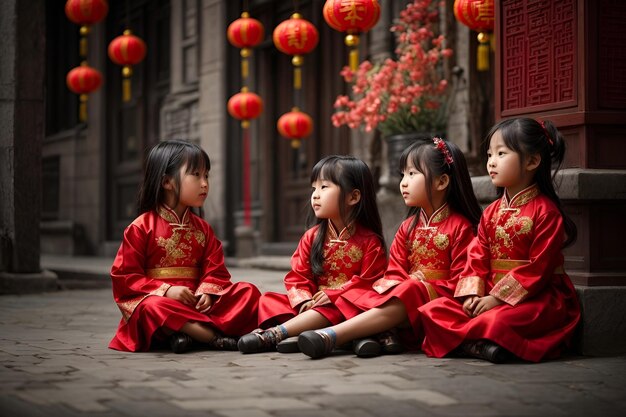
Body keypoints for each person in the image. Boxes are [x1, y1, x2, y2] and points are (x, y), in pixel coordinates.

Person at [297, 138, 482, 359]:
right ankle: (366, 333)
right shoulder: (407, 227)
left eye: (412, 174)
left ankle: (331, 335)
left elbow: (463, 278)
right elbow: (394, 272)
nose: (403, 182)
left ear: (441, 182)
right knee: (361, 293)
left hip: (441, 300)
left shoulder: (461, 227)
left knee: (407, 290)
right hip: (406, 296)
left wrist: (422, 285)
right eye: (402, 175)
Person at [418, 118, 581, 363]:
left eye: (501, 153)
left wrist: (496, 299)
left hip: (537, 298)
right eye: (489, 154)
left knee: (497, 319)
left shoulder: (546, 212)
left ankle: (472, 343)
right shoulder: (491, 211)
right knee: (433, 311)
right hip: (489, 294)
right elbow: (477, 257)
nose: (491, 162)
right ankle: (482, 345)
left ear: (532, 161)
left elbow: (539, 269)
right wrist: (473, 294)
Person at [109, 140, 261, 354]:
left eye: (206, 175)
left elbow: (215, 271)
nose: (205, 183)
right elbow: (125, 276)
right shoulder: (141, 227)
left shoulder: (204, 229)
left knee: (247, 291)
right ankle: (213, 338)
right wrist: (167, 291)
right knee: (151, 308)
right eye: (196, 175)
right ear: (167, 182)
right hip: (162, 303)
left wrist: (207, 293)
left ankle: (183, 333)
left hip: (196, 303)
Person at [237, 155, 388, 354]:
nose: (315, 195)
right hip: (314, 303)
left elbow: (369, 282)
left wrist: (334, 295)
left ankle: (277, 334)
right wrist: (304, 300)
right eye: (314, 188)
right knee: (269, 301)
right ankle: (340, 337)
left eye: (324, 187)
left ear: (353, 197)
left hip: (346, 304)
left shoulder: (370, 241)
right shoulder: (312, 237)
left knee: (348, 307)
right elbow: (298, 276)